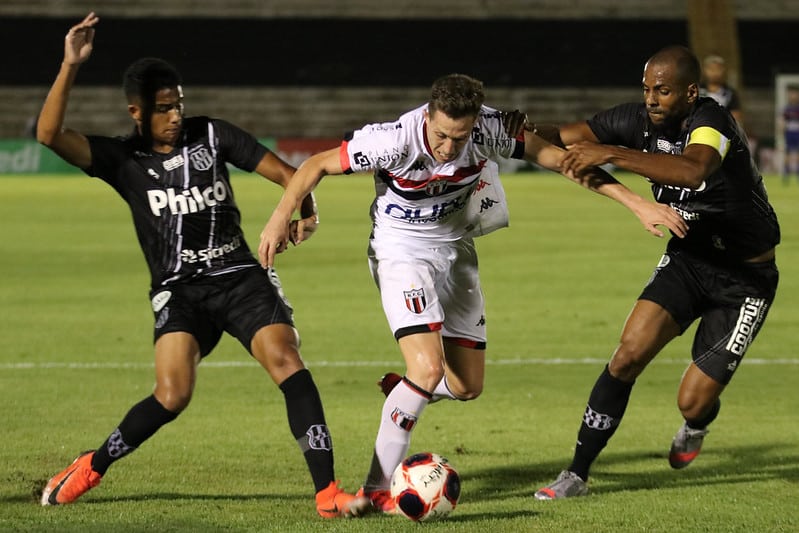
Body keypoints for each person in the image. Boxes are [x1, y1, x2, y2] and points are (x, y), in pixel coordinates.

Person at [257, 73, 688, 512]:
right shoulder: (393, 141)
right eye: (441, 135)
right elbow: (315, 166)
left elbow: (564, 163)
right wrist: (279, 218)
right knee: (427, 368)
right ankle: (375, 490)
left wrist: (638, 204)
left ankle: (408, 391)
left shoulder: (490, 129)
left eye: (459, 138)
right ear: (429, 117)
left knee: (466, 386)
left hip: (456, 250)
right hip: (401, 251)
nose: (448, 147)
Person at [36, 12, 369, 518]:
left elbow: (289, 174)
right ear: (136, 112)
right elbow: (48, 134)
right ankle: (92, 465)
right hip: (180, 291)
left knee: (287, 361)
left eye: (179, 104)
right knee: (173, 395)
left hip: (239, 277)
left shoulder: (212, 135)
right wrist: (70, 65)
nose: (175, 115)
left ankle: (327, 493)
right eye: (163, 108)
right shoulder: (121, 160)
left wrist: (306, 209)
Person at [531, 45, 780, 500]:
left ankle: (698, 422)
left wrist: (611, 153)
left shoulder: (712, 121)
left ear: (690, 92)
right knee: (627, 355)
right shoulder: (634, 119)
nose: (651, 99)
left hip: (745, 281)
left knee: (692, 401)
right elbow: (563, 136)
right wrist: (510, 132)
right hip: (690, 260)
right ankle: (577, 474)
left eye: (662, 91)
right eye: (647, 89)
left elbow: (694, 170)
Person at [699, 55, 743, 125]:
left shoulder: (730, 93)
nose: (714, 72)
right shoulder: (697, 91)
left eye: (718, 69)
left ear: (723, 70)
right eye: (711, 69)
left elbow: (735, 117)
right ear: (704, 70)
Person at [779, 85, 799, 182]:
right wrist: (781, 128)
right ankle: (786, 172)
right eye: (791, 93)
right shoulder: (787, 108)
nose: (793, 95)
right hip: (789, 133)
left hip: (797, 133)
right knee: (788, 152)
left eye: (795, 93)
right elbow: (783, 120)